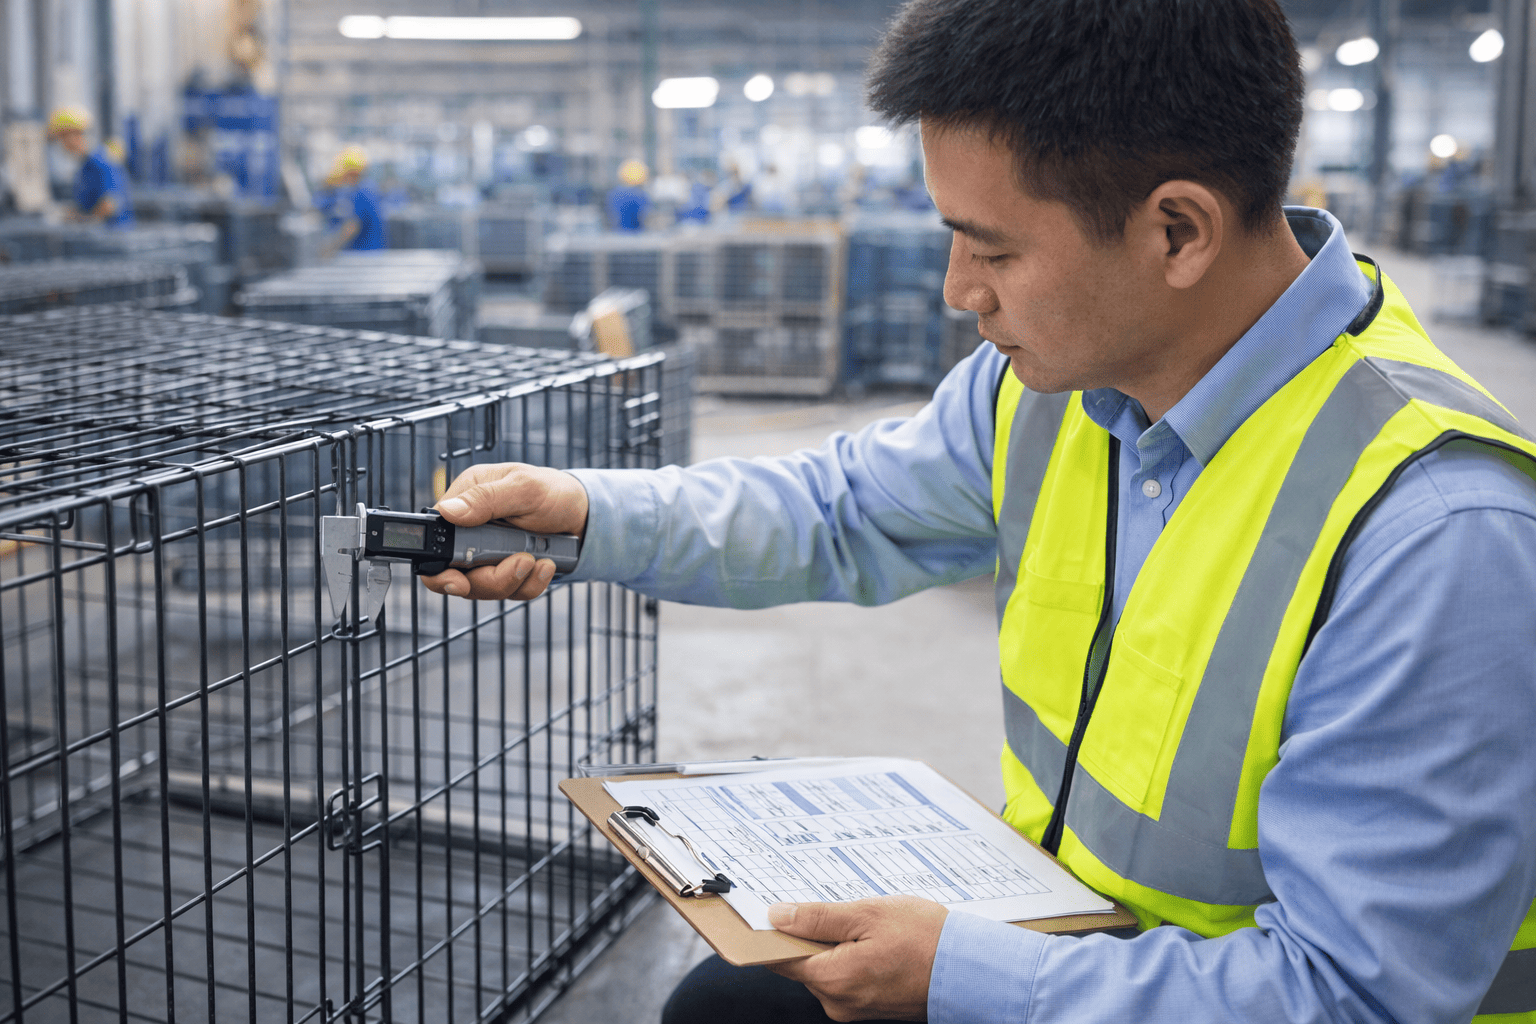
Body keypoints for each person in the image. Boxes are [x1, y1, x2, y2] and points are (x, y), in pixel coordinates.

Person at [419, 1, 1536, 1022]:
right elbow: (843, 507)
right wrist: (582, 515)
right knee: (731, 1002)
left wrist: (962, 972)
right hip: (1077, 940)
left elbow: (1349, 995)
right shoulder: (1061, 392)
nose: (960, 288)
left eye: (993, 248)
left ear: (1178, 233)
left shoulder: (1434, 533)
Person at [48, 107, 134, 226]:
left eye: (62, 137)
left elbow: (110, 204)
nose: (61, 144)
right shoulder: (85, 167)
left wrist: (84, 220)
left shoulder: (101, 162)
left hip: (113, 238)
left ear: (74, 135)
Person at [320, 146, 387, 254]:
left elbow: (351, 227)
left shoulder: (363, 192)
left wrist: (328, 250)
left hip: (365, 255)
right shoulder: (366, 188)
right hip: (366, 254)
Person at [607, 159, 652, 232]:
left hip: (617, 235)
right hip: (638, 236)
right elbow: (645, 217)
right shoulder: (641, 195)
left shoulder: (613, 194)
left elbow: (612, 217)